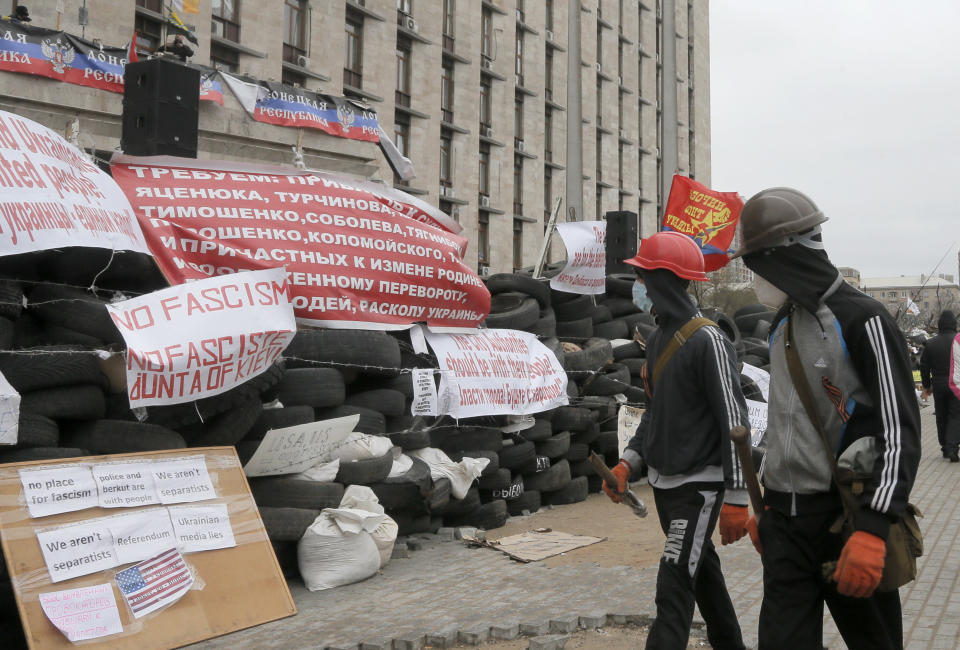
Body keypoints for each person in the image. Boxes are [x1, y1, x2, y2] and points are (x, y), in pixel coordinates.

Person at [733, 187, 921, 650]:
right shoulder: (781, 325)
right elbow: (783, 424)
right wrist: (769, 499)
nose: (755, 276)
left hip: (849, 525)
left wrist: (875, 530)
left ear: (786, 255)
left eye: (757, 263)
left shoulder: (864, 319)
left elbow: (900, 433)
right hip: (786, 533)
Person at [603, 230, 749, 650]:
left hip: (698, 490)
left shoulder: (709, 341)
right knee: (703, 576)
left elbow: (734, 420)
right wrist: (628, 463)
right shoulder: (658, 339)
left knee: (673, 586)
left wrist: (737, 498)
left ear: (662, 280)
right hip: (666, 488)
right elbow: (655, 414)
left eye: (643, 277)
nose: (638, 287)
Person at [920, 310, 960, 460]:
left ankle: (944, 446)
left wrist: (927, 385)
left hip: (938, 384)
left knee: (941, 415)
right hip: (956, 383)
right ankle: (953, 448)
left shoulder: (930, 343)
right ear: (954, 324)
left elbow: (923, 366)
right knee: (956, 416)